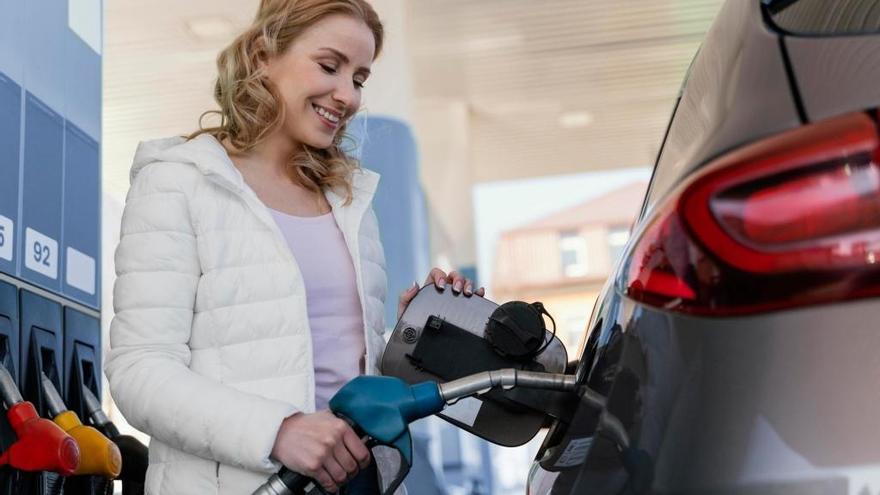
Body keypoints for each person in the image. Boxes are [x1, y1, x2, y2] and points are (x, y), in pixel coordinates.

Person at [104, 0, 484, 493]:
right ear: (263, 55)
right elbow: (139, 371)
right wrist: (279, 430)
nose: (347, 94)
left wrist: (416, 340)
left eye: (360, 78)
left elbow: (333, 367)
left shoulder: (349, 202)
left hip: (358, 481)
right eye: (329, 66)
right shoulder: (179, 184)